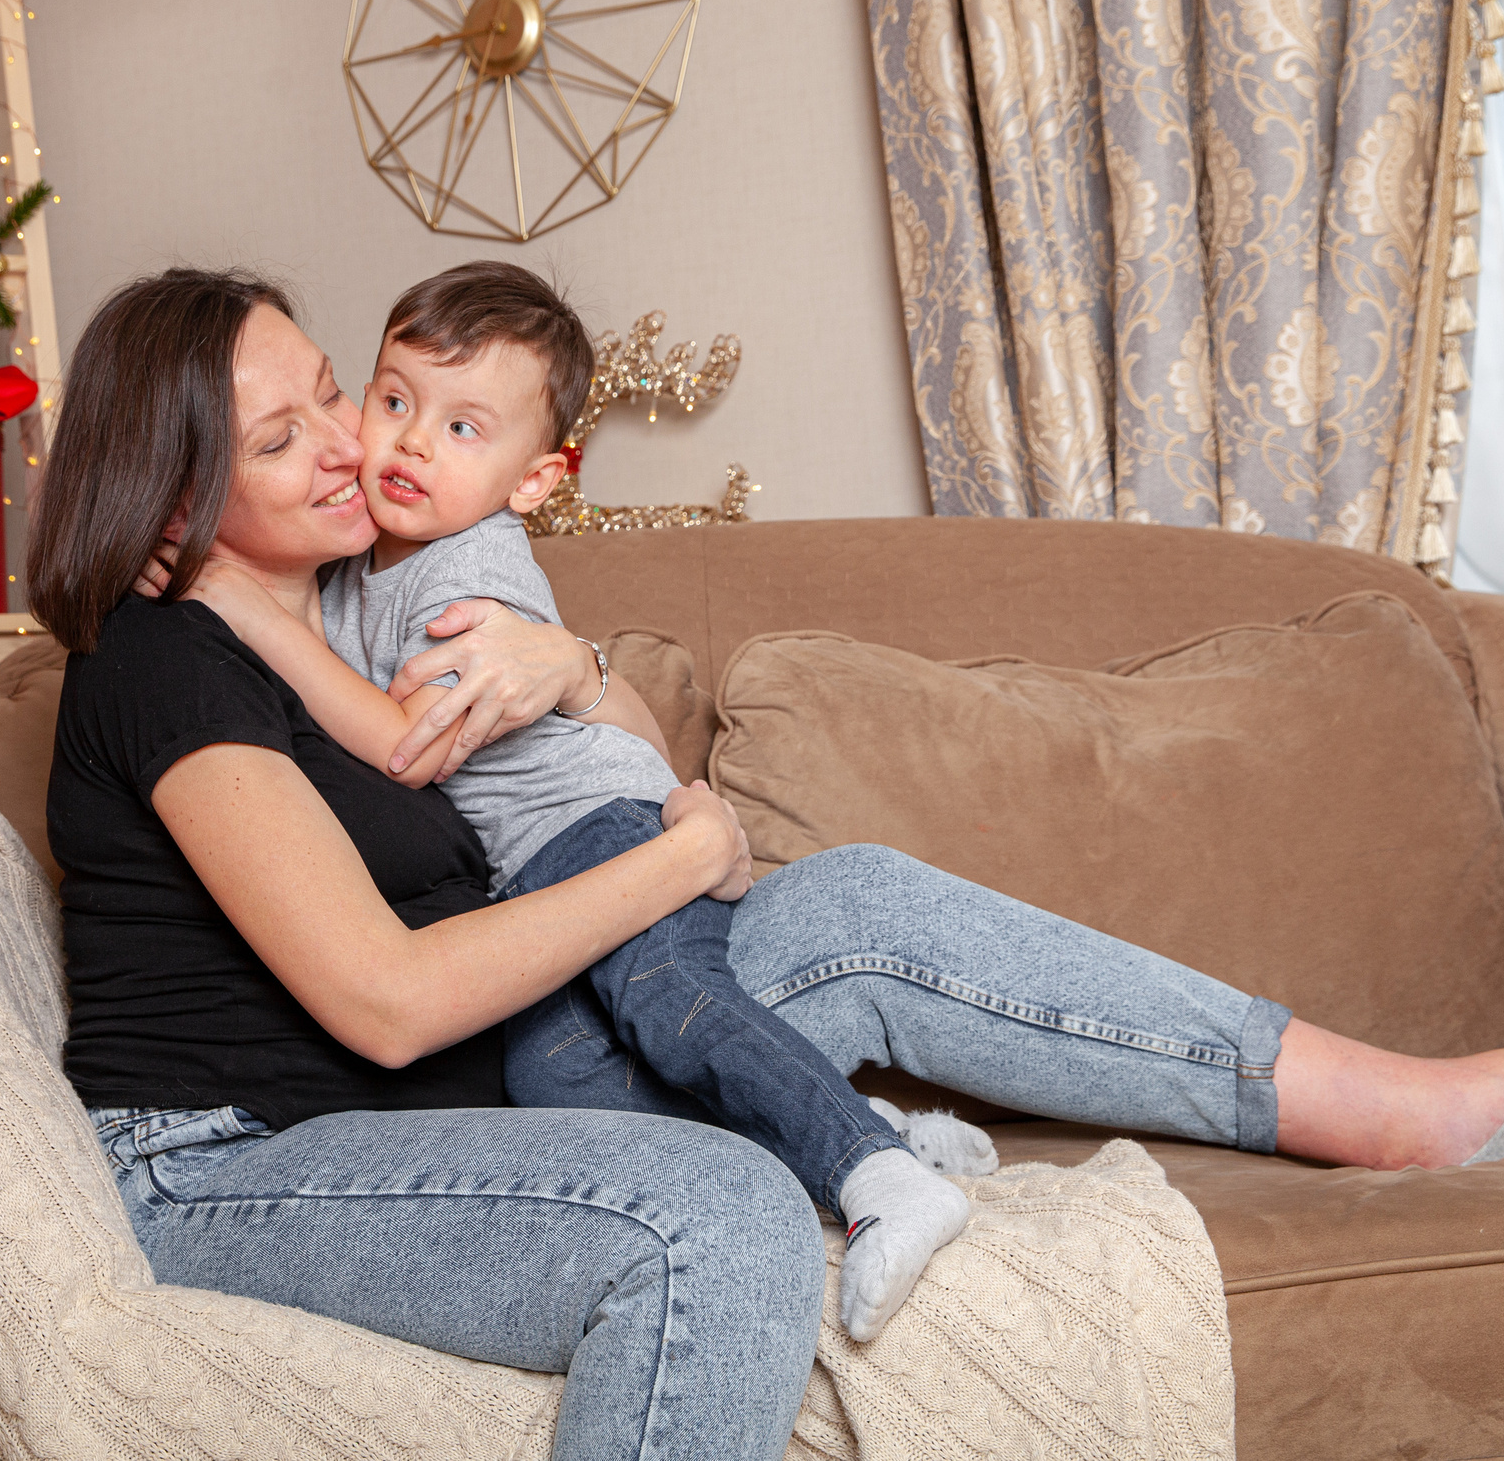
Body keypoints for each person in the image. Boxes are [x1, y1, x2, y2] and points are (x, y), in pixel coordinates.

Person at [30, 267, 1504, 1461]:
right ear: (173, 487)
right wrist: (695, 853)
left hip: (501, 1067)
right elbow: (386, 1002)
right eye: (285, 429)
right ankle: (857, 1144)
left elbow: (565, 779)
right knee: (722, 1217)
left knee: (862, 903)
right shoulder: (161, 669)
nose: (345, 435)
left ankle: (1403, 1110)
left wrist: (582, 676)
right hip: (241, 1160)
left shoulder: (361, 602)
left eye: (334, 384)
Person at [164, 262, 988, 1341]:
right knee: (557, 1080)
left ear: (533, 485)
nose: (409, 442)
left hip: (595, 832)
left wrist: (253, 617)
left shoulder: (474, 573)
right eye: (395, 399)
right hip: (532, 872)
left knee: (672, 1009)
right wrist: (182, 551)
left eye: (463, 429)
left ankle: (882, 1178)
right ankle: (840, 1125)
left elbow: (404, 745)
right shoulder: (361, 565)